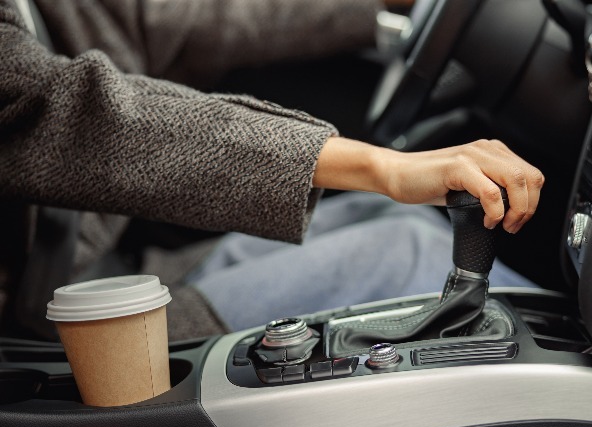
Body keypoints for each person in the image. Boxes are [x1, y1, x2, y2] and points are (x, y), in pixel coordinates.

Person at [0, 0, 543, 340]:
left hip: (112, 267)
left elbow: (172, 17)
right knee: (409, 253)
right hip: (72, 328)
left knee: (396, 222)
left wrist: (379, 5)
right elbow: (79, 115)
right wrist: (383, 167)